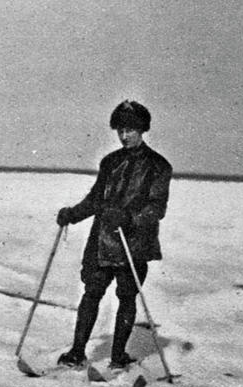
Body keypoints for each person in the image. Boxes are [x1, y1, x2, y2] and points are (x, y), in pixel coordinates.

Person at [55, 100, 172, 369]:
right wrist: (72, 214)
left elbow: (157, 208)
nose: (124, 135)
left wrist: (130, 217)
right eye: (120, 129)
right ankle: (77, 352)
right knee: (91, 293)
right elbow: (96, 199)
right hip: (102, 240)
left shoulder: (158, 166)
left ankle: (118, 357)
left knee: (127, 296)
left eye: (130, 130)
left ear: (142, 130)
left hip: (134, 243)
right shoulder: (110, 162)